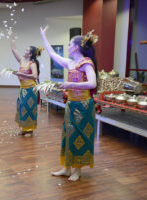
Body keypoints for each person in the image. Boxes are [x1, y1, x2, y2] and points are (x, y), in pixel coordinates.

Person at [40, 26, 98, 181]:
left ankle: (77, 170)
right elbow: (52, 54)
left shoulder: (87, 63)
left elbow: (92, 83)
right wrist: (43, 36)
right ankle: (66, 168)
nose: (68, 46)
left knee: (79, 135)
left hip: (83, 106)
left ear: (77, 47)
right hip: (71, 104)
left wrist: (71, 85)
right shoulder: (71, 63)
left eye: (70, 44)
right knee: (68, 135)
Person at [8, 28, 43, 135]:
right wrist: (11, 36)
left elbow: (35, 76)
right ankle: (24, 128)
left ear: (31, 54)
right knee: (21, 106)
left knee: (28, 108)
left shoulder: (32, 63)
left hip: (31, 90)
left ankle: (29, 129)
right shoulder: (22, 61)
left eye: (27, 50)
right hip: (23, 89)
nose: (25, 51)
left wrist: (21, 74)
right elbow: (14, 49)